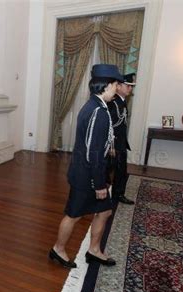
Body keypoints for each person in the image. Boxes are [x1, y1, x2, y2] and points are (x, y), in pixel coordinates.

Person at [49, 64, 123, 269]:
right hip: (88, 176)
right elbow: (93, 152)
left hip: (91, 173)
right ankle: (58, 249)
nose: (117, 89)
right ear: (106, 85)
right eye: (116, 85)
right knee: (74, 214)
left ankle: (94, 250)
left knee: (105, 211)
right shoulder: (97, 111)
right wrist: (99, 184)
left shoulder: (96, 106)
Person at [107, 73, 136, 205]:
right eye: (128, 85)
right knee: (110, 170)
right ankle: (113, 195)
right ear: (118, 87)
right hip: (114, 144)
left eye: (131, 86)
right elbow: (110, 126)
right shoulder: (113, 103)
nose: (130, 89)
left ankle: (117, 194)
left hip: (120, 142)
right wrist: (111, 146)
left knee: (120, 171)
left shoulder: (122, 102)